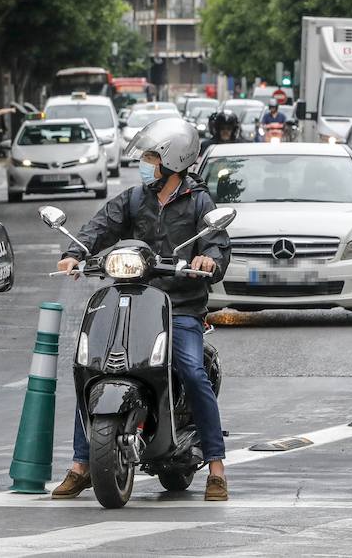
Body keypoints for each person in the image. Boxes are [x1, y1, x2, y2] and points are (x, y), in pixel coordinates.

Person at [51, 118, 232, 502]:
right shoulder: (136, 198)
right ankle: (82, 464)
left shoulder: (199, 202)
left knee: (192, 371)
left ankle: (216, 466)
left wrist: (208, 261)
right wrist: (75, 253)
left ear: (172, 160)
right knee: (93, 367)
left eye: (151, 156)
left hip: (179, 306)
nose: (146, 162)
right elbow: (101, 225)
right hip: (133, 299)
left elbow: (216, 243)